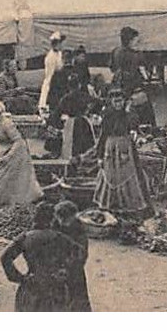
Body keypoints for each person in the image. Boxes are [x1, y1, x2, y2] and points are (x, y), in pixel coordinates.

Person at [0, 203, 82, 312]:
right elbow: (78, 254)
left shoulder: (25, 238)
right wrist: (64, 271)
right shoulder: (61, 238)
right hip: (55, 287)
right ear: (52, 219)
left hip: (31, 285)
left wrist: (19, 278)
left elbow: (5, 257)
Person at [0, 99, 43, 209]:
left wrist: (9, 156)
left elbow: (18, 141)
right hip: (4, 151)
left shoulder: (6, 123)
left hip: (17, 151)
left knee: (7, 176)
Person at [92, 86, 148, 216]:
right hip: (110, 148)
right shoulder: (107, 115)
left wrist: (128, 111)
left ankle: (128, 204)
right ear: (111, 101)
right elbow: (103, 135)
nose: (118, 104)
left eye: (120, 101)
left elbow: (133, 125)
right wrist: (100, 156)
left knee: (127, 174)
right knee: (109, 175)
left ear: (124, 101)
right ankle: (110, 204)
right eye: (115, 101)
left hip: (125, 147)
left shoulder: (129, 113)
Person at [52, 199, 92, 312]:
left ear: (73, 216)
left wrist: (69, 265)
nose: (62, 221)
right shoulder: (54, 225)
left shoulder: (79, 228)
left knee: (78, 296)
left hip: (74, 267)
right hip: (56, 266)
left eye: (66, 219)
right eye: (60, 218)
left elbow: (82, 252)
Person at [110, 26, 144, 95]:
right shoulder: (133, 54)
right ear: (129, 41)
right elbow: (134, 70)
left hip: (117, 82)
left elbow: (112, 68)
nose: (137, 43)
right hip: (131, 84)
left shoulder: (115, 50)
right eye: (135, 41)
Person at [39, 31, 66, 110]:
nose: (63, 45)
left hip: (59, 81)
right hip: (53, 81)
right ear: (57, 43)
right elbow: (50, 75)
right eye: (61, 43)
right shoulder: (50, 57)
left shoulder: (59, 54)